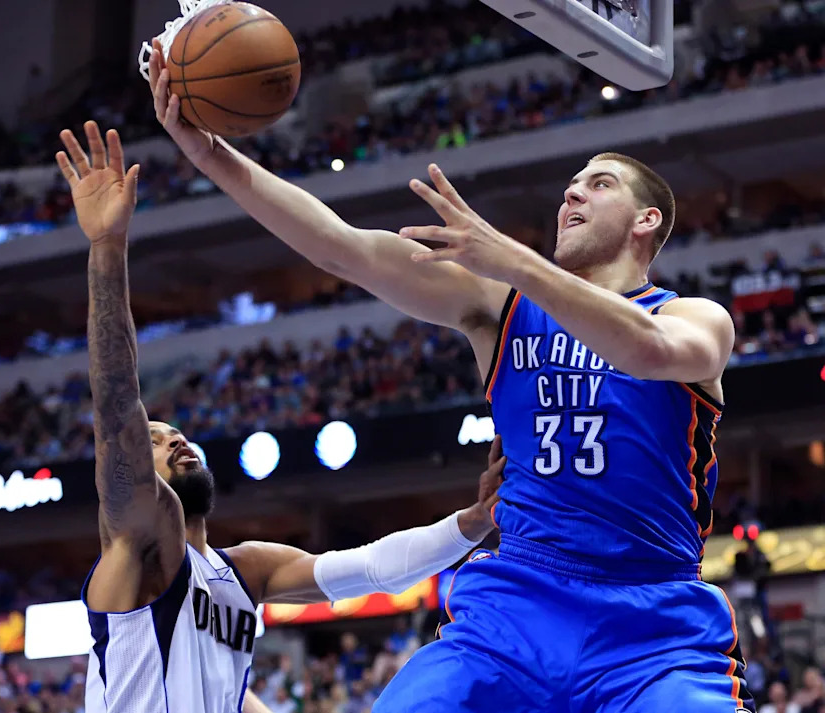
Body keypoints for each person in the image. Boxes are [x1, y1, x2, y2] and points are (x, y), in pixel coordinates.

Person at [145, 33, 752, 710]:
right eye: (569, 186)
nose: (572, 195)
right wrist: (207, 153)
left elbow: (646, 351)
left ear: (646, 220)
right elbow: (340, 249)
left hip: (651, 620)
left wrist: (515, 260)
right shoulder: (498, 305)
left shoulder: (694, 316)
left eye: (597, 184)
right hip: (516, 604)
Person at [54, 122, 505, 713]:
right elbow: (117, 404)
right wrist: (107, 248)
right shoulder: (141, 540)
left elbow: (368, 571)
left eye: (179, 434)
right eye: (158, 443)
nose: (176, 442)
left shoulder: (243, 573)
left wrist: (470, 523)